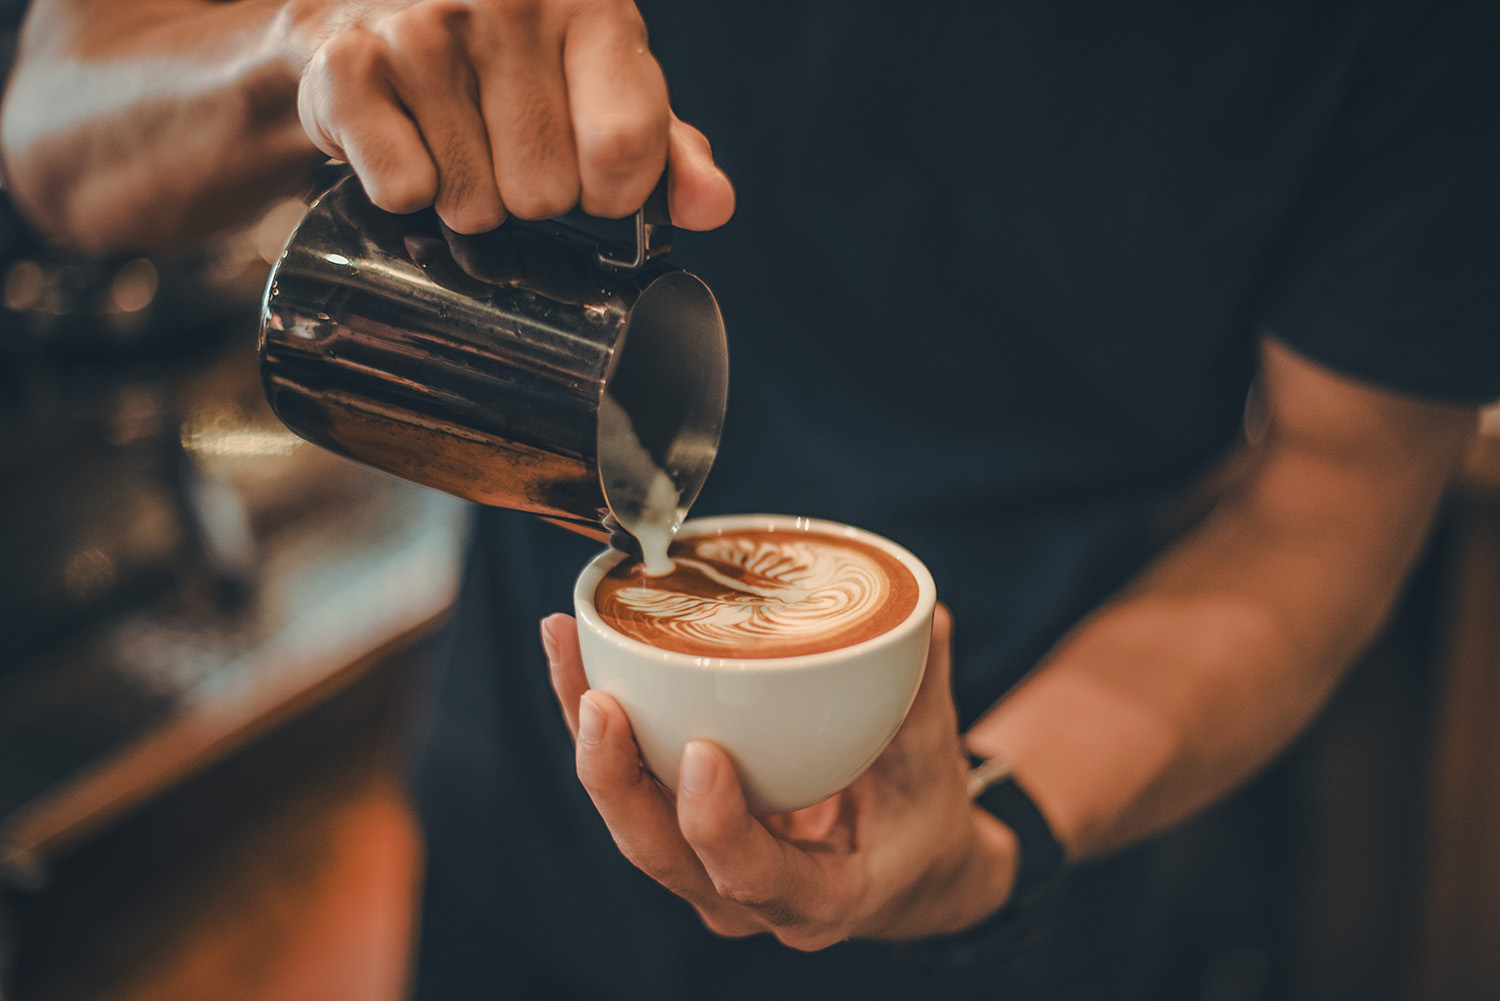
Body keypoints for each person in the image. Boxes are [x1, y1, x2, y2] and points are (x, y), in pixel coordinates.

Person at [4, 2, 1498, 997]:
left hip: (1031, 837)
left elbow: (1336, 489)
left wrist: (1000, 830)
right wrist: (303, 48)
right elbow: (52, 130)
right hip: (527, 857)